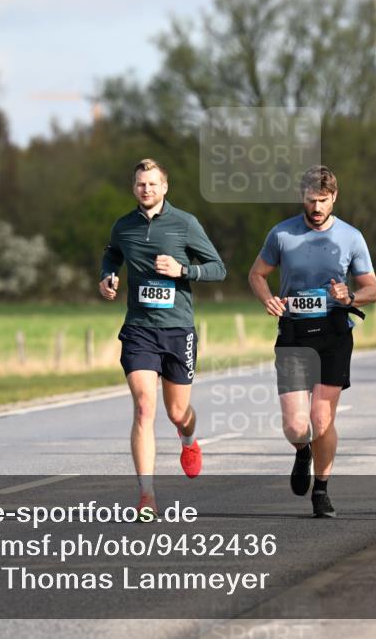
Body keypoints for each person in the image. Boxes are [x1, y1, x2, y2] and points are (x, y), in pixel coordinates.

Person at [248, 165, 376, 518]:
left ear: (334, 197)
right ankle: (302, 450)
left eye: (323, 200)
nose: (317, 207)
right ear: (301, 198)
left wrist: (350, 296)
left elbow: (372, 289)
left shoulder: (351, 237)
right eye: (310, 200)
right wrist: (268, 299)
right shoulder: (282, 234)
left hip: (334, 333)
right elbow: (257, 274)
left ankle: (321, 489)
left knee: (321, 420)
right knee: (296, 425)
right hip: (294, 333)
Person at [99, 158, 225, 518]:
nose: (147, 189)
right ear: (133, 187)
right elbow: (112, 254)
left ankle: (188, 439)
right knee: (144, 407)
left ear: (165, 187)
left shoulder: (185, 223)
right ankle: (147, 496)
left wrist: (183, 270)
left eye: (153, 184)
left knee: (177, 412)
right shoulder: (123, 226)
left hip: (178, 329)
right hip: (139, 329)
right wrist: (107, 276)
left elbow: (218, 268)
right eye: (141, 184)